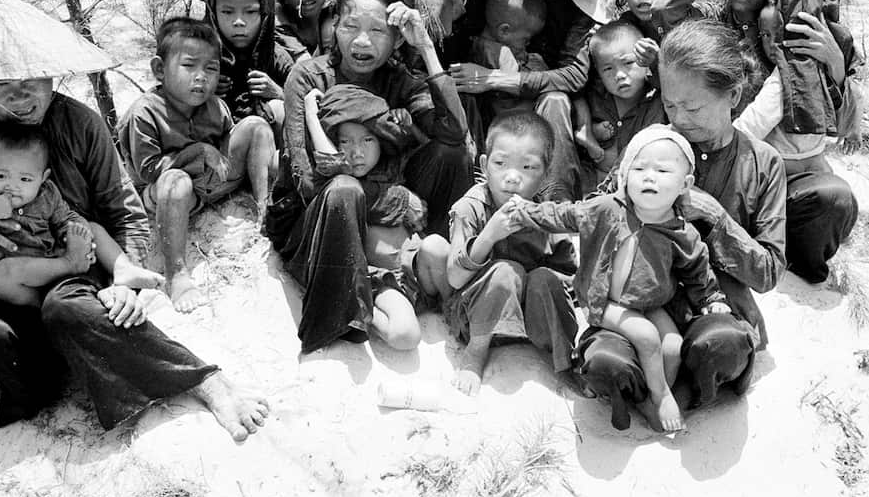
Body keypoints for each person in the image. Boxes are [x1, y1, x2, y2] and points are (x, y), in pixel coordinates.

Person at [0, 0, 269, 438]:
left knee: (67, 311)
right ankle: (48, 369)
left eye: (34, 79)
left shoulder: (80, 124)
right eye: (4, 84)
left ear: (53, 71)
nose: (22, 96)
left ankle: (204, 380)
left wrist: (125, 280)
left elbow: (123, 210)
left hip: (67, 270)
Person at [525, 19, 786, 429]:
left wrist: (717, 219)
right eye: (670, 105)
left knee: (719, 347)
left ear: (733, 96)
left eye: (693, 107)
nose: (678, 119)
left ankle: (683, 394)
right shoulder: (651, 146)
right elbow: (601, 208)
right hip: (634, 305)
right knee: (605, 363)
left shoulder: (762, 163)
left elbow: (769, 271)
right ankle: (651, 396)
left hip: (711, 306)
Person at [265, 0, 471, 354]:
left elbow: (454, 134)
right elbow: (309, 182)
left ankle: (439, 260)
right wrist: (397, 198)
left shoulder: (399, 79)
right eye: (350, 26)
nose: (361, 40)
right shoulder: (309, 77)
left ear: (396, 40)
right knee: (343, 188)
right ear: (334, 28)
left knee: (451, 153)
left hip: (383, 224)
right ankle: (345, 311)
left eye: (378, 30)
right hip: (316, 222)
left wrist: (426, 48)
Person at [649, 0, 859, 283]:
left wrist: (836, 66)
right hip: (727, 176)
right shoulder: (710, 29)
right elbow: (664, 9)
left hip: (792, 183)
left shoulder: (802, 33)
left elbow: (843, 128)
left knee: (834, 198)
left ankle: (793, 269)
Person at [507, 126, 730, 432]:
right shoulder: (607, 208)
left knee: (673, 346)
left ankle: (649, 394)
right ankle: (660, 397)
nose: (649, 176)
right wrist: (526, 212)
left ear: (684, 184)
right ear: (625, 176)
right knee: (647, 337)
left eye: (662, 170)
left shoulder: (682, 232)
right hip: (605, 300)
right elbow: (565, 215)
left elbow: (697, 271)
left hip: (649, 302)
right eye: (639, 168)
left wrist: (712, 300)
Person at [433, 0, 617, 201]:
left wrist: (504, 80)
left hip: (545, 106)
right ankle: (472, 200)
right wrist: (450, 5)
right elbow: (450, 54)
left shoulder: (584, 5)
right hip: (486, 103)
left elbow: (573, 76)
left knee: (556, 101)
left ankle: (555, 205)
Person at [418, 110, 576, 395]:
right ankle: (476, 353)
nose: (512, 177)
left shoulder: (547, 213)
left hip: (526, 316)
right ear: (484, 164)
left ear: (545, 174)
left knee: (543, 278)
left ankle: (561, 361)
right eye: (501, 163)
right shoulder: (471, 207)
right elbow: (454, 278)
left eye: (528, 168)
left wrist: (540, 282)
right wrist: (490, 235)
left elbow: (568, 275)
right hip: (474, 312)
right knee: (506, 271)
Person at [116, 17, 265, 312]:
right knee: (176, 182)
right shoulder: (144, 111)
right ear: (160, 69)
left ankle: (265, 209)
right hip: (168, 192)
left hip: (214, 182)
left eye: (211, 68)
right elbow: (147, 170)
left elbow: (229, 143)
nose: (201, 77)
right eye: (189, 66)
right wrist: (198, 152)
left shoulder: (216, 106)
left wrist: (219, 153)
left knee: (256, 126)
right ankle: (177, 274)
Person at [303, 84, 432, 350]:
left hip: (417, 270)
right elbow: (333, 162)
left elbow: (430, 151)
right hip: (382, 281)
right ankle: (360, 314)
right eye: (344, 141)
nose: (356, 152)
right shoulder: (337, 186)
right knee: (405, 336)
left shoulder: (393, 169)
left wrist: (407, 123)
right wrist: (312, 117)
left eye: (367, 140)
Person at [0, 128, 96, 307]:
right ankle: (64, 277)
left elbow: (65, 218)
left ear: (43, 178)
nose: (11, 187)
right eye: (0, 176)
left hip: (49, 268)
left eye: (25, 180)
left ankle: (116, 274)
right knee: (5, 271)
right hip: (12, 286)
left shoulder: (46, 194)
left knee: (93, 228)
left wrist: (72, 234)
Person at [203, 0, 292, 216]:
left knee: (280, 108)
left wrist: (277, 92)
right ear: (213, 12)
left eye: (250, 12)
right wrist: (205, 94)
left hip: (269, 155)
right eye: (227, 12)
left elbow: (304, 101)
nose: (238, 22)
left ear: (264, 13)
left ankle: (269, 202)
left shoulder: (275, 54)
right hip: (222, 160)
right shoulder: (202, 57)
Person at [573, 20, 666, 192]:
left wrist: (656, 62)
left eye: (628, 63)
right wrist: (588, 128)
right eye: (608, 69)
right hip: (592, 175)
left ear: (645, 63)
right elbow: (575, 95)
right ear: (599, 74)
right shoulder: (596, 97)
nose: (620, 75)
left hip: (632, 184)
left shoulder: (655, 98)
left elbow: (670, 83)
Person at [469, 0, 547, 123]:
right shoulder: (500, 54)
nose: (528, 45)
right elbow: (515, 82)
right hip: (509, 123)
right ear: (504, 31)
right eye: (526, 40)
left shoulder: (474, 45)